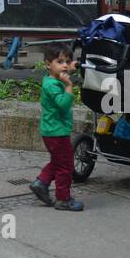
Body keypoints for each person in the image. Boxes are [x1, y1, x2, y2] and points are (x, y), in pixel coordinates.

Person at [30, 42, 85, 212]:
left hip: (52, 130)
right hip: (57, 132)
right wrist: (69, 86)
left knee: (58, 160)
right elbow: (63, 104)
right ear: (48, 64)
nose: (65, 66)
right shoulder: (53, 85)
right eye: (60, 62)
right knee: (66, 166)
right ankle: (63, 199)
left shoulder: (51, 78)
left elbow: (64, 70)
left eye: (67, 62)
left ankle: (41, 182)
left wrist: (74, 66)